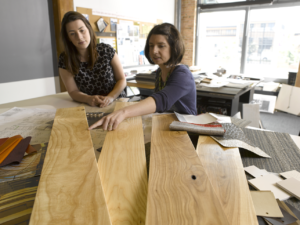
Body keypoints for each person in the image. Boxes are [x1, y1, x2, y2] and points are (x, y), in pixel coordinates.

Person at [89, 23, 197, 131]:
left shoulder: (183, 74)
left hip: (185, 131)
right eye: (151, 45)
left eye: (161, 45)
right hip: (166, 125)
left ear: (173, 47)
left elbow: (162, 100)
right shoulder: (160, 72)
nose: (154, 51)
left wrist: (123, 112)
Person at [58, 11, 126, 108]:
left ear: (88, 29)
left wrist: (110, 97)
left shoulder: (106, 50)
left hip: (117, 103)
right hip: (90, 106)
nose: (79, 37)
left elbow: (122, 80)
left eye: (82, 30)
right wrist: (88, 99)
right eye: (72, 34)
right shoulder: (65, 59)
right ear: (68, 38)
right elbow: (73, 91)